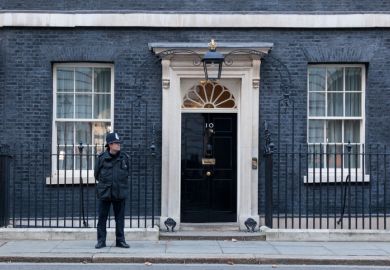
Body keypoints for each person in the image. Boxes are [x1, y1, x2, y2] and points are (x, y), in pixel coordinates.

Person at [94, 132, 130, 249]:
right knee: (102, 218)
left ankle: (120, 241)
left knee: (120, 219)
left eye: (119, 143)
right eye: (116, 143)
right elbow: (96, 174)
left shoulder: (124, 158)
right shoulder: (102, 158)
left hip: (119, 192)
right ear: (110, 144)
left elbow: (127, 173)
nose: (118, 145)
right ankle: (101, 241)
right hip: (105, 192)